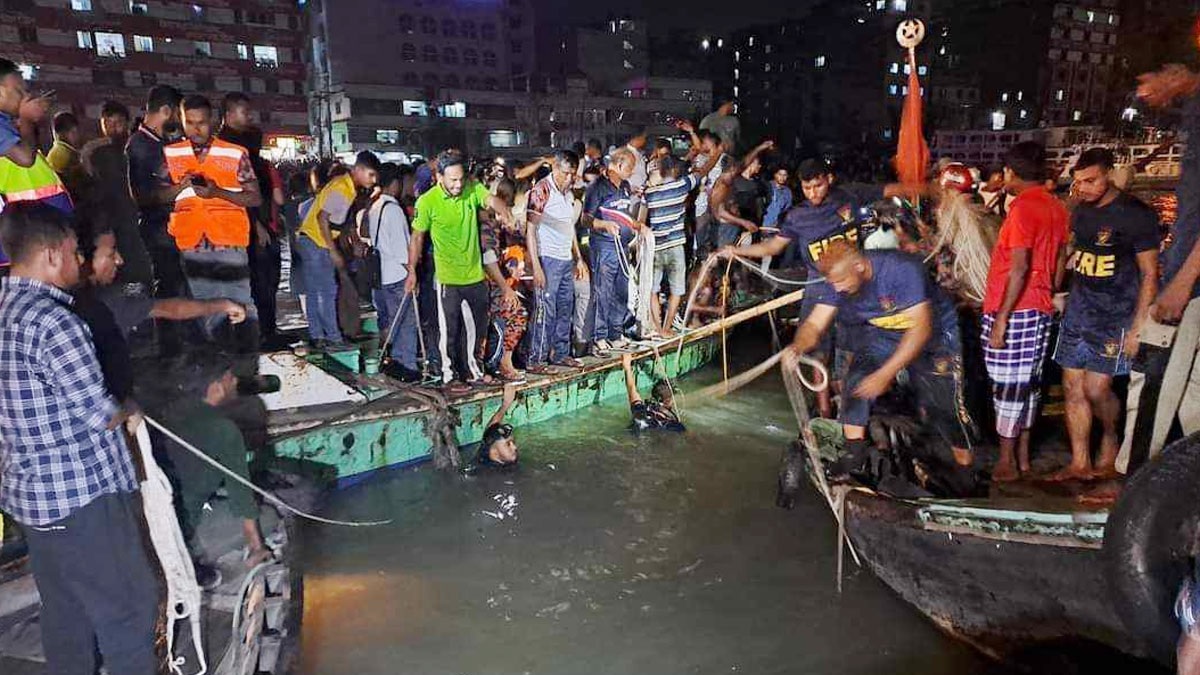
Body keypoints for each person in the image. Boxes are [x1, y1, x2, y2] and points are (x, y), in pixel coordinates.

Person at [0, 202, 159, 675]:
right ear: (51, 255)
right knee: (127, 611)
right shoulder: (55, 322)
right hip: (82, 495)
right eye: (74, 253)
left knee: (65, 612)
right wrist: (128, 409)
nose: (80, 263)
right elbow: (99, 414)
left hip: (30, 498)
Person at [717, 158, 912, 417]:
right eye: (807, 188)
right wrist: (737, 251)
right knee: (818, 352)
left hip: (852, 287)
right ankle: (824, 409)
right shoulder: (797, 217)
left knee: (851, 350)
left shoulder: (850, 196)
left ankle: (849, 404)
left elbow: (890, 190)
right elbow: (774, 246)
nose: (812, 193)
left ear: (829, 179)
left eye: (817, 186)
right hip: (819, 288)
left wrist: (931, 190)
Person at [782, 242, 975, 474]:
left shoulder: (901, 269)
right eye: (833, 283)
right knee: (856, 381)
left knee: (942, 404)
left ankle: (965, 467)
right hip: (886, 332)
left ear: (860, 266)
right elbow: (814, 324)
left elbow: (920, 329)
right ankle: (854, 454)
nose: (838, 288)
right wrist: (797, 347)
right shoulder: (836, 281)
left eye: (841, 281)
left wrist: (885, 374)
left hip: (934, 334)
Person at [1051, 148, 1160, 481]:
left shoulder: (1135, 215)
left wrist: (1139, 324)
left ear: (1109, 173)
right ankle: (1079, 462)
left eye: (1091, 180)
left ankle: (1111, 438)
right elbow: (1069, 249)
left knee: (1097, 389)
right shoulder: (1080, 211)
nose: (1083, 188)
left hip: (1115, 316)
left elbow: (1150, 273)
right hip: (1080, 310)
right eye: (1078, 181)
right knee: (1072, 387)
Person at [1115, 62, 1200, 475]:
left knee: (1152, 377)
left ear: (1176, 71)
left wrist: (1182, 281)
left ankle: (1133, 485)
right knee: (1193, 400)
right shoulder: (1191, 115)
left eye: (1146, 77)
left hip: (1190, 285)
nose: (1142, 90)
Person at [72, 214, 247, 405]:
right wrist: (223, 305)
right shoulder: (110, 302)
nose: (119, 260)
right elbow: (171, 309)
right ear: (81, 258)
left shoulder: (75, 297)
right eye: (111, 254)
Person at [980, 141, 1069, 481]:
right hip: (1040, 307)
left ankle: (1006, 461)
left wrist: (1002, 319)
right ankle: (1023, 457)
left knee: (1007, 384)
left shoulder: (1021, 209)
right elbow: (1059, 260)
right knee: (1029, 383)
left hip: (1016, 308)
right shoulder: (1056, 206)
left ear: (1011, 173)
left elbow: (1019, 268)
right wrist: (1049, 290)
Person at [405, 151, 514, 391]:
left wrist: (504, 211)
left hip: (474, 275)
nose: (457, 184)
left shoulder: (471, 189)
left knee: (476, 328)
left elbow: (491, 200)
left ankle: (474, 371)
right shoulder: (427, 201)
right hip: (447, 279)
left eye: (461, 179)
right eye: (453, 180)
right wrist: (412, 270)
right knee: (449, 331)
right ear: (439, 177)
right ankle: (449, 375)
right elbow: (417, 237)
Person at [156, 351, 272, 574]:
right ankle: (215, 572)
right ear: (216, 388)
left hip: (159, 518)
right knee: (270, 516)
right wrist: (256, 547)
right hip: (185, 529)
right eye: (230, 377)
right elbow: (241, 496)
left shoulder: (169, 413)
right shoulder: (223, 429)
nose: (235, 381)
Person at [163, 94, 263, 349]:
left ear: (213, 121)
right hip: (192, 241)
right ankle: (221, 361)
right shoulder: (170, 154)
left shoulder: (234, 153)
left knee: (240, 305)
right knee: (205, 307)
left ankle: (246, 360)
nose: (196, 129)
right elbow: (154, 196)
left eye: (202, 123)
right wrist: (178, 188)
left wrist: (217, 192)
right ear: (182, 121)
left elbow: (254, 198)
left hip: (228, 241)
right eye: (190, 122)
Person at [296, 151, 380, 348]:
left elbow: (335, 221)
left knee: (315, 291)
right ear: (358, 169)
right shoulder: (342, 188)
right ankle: (333, 338)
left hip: (310, 240)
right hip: (316, 242)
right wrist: (332, 250)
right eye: (371, 175)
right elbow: (322, 218)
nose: (373, 180)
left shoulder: (346, 186)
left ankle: (318, 336)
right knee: (327, 291)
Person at [219, 92, 283, 346]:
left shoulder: (245, 145)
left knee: (267, 280)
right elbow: (234, 192)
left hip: (263, 221)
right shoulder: (226, 148)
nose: (249, 117)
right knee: (258, 282)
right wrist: (256, 225)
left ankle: (269, 330)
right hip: (247, 226)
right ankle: (261, 333)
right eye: (244, 112)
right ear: (229, 114)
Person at [0, 58, 71, 270]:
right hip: (12, 240)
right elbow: (25, 158)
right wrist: (27, 119)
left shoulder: (7, 122)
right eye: (19, 91)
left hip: (24, 233)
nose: (25, 97)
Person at [127, 84, 186, 336]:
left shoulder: (162, 142)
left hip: (174, 229)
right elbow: (141, 197)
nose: (181, 120)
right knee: (167, 288)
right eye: (179, 114)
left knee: (178, 286)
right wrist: (180, 189)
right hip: (157, 230)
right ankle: (170, 347)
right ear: (166, 111)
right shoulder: (139, 146)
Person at [80, 100, 154, 292]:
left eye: (118, 122)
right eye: (108, 123)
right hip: (112, 218)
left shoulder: (136, 147)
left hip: (137, 216)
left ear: (127, 123)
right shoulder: (96, 153)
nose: (113, 128)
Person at [643, 153, 719, 336]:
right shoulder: (681, 186)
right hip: (676, 247)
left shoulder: (649, 193)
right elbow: (704, 171)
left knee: (653, 290)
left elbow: (642, 218)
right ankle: (667, 328)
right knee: (676, 291)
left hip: (656, 247)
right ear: (675, 170)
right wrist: (717, 153)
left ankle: (658, 328)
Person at [526, 150, 588, 372]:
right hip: (547, 258)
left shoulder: (568, 193)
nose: (569, 178)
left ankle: (561, 353)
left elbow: (568, 227)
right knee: (545, 310)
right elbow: (530, 229)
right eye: (565, 173)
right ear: (555, 168)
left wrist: (578, 258)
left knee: (565, 307)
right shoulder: (542, 190)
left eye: (573, 174)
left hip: (565, 259)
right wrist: (536, 266)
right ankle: (536, 359)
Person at [583, 147, 641, 355]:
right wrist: (603, 224)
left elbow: (623, 213)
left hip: (622, 247)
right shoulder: (597, 187)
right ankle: (599, 336)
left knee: (621, 290)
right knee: (603, 291)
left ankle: (615, 333)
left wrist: (637, 227)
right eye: (630, 167)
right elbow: (585, 219)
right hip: (604, 246)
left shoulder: (624, 186)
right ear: (619, 165)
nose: (632, 172)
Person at [368, 162, 420, 381]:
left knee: (394, 319)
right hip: (398, 273)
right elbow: (402, 249)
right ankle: (407, 365)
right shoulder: (394, 210)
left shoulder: (375, 206)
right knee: (406, 321)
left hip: (384, 272)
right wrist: (412, 272)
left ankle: (397, 361)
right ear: (395, 184)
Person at [681, 125, 731, 262]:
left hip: (718, 205)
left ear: (714, 143)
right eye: (702, 142)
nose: (702, 146)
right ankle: (698, 259)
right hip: (701, 204)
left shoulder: (725, 160)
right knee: (699, 234)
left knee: (715, 235)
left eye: (705, 142)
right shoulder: (701, 159)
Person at [621, 352, 685, 433]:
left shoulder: (641, 411)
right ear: (668, 401)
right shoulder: (675, 426)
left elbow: (632, 389)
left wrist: (627, 366)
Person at [477, 383, 520, 467]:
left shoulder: (489, 456)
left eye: (512, 443)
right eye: (508, 444)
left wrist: (506, 404)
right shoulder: (487, 472)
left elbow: (490, 432)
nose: (515, 447)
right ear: (494, 454)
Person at [46, 110, 86, 195]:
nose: (77, 136)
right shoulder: (61, 154)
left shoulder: (63, 151)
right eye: (74, 132)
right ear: (61, 133)